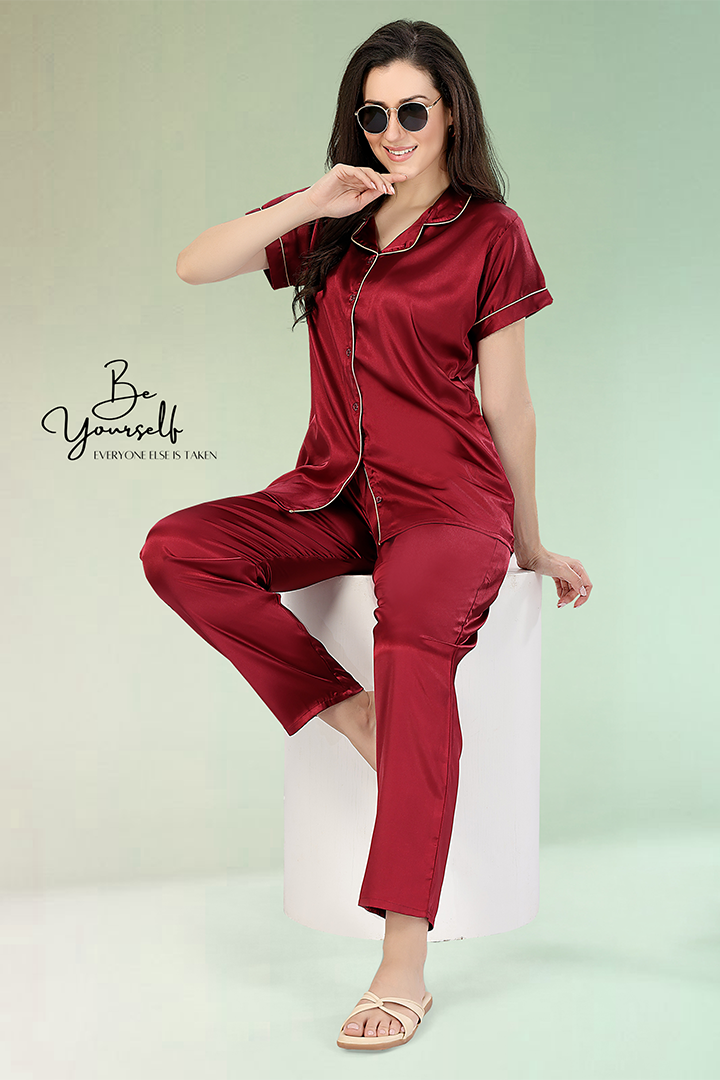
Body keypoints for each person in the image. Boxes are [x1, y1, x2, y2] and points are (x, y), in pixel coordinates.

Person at [140, 18, 592, 1052]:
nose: (394, 131)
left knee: (413, 648)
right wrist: (314, 199)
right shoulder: (334, 218)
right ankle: (349, 712)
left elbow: (510, 405)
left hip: (448, 504)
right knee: (180, 548)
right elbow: (194, 264)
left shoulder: (492, 232)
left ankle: (402, 959)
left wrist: (528, 544)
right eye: (374, 112)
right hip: (331, 493)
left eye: (413, 111)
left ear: (452, 114)